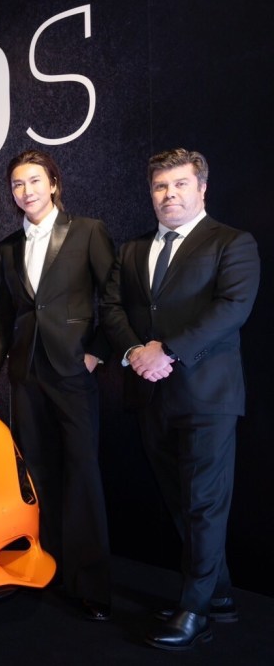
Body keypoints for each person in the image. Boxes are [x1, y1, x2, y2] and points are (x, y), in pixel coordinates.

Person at [101, 148, 260, 650]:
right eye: (160, 186)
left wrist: (166, 351)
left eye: (180, 184)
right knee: (179, 501)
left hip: (208, 395)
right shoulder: (131, 250)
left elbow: (232, 308)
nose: (169, 194)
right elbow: (111, 308)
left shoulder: (232, 242)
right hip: (150, 394)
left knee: (204, 504)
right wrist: (135, 352)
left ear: (202, 188)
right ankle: (218, 594)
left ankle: (194, 612)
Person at [0, 149, 114, 620]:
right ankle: (48, 569)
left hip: (73, 372)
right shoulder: (7, 247)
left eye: (35, 181)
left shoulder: (88, 231)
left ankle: (91, 585)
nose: (26, 191)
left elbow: (114, 298)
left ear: (54, 183)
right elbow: (4, 318)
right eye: (17, 184)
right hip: (25, 375)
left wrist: (96, 350)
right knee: (38, 475)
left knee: (83, 474)